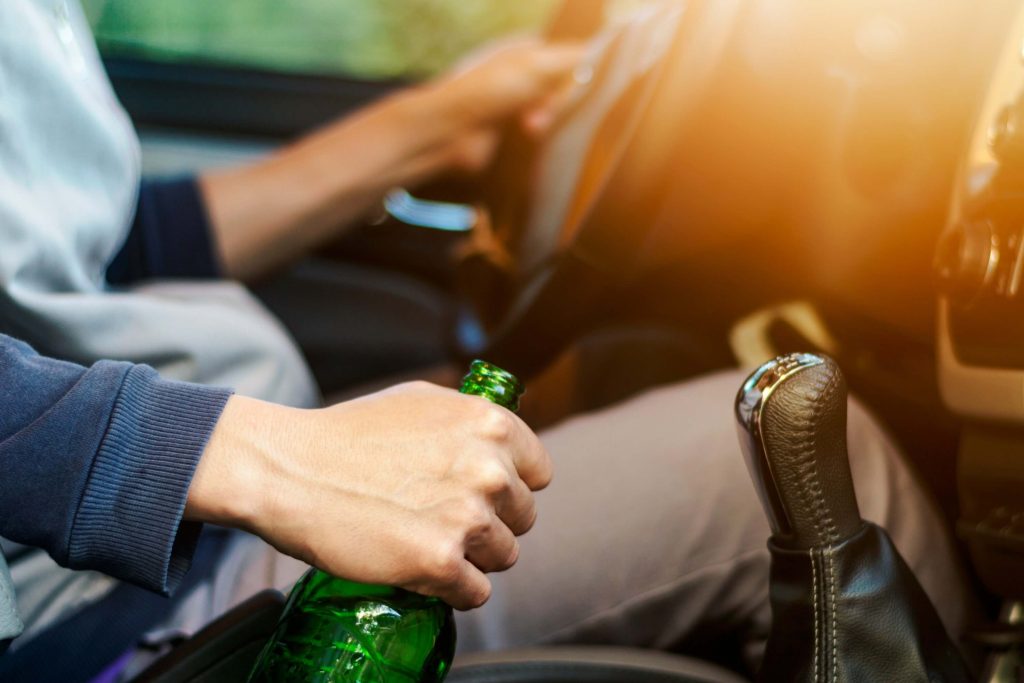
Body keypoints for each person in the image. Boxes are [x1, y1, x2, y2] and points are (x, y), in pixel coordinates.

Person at [0, 0, 972, 679]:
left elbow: (79, 247)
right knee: (828, 468)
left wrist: (433, 126)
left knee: (617, 370)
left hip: (163, 536)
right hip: (99, 613)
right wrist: (255, 459)